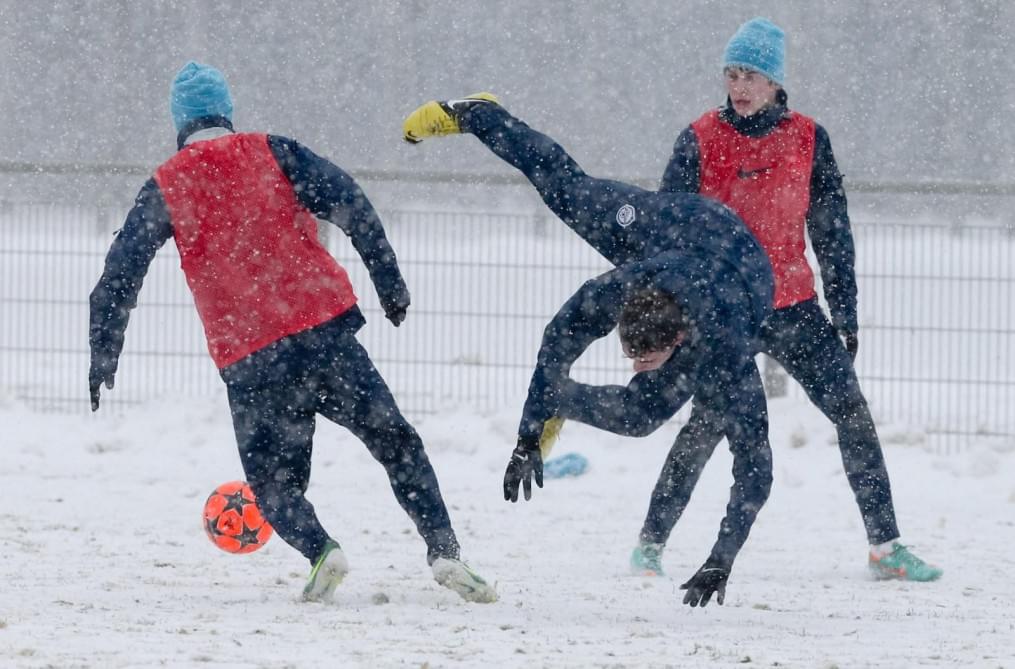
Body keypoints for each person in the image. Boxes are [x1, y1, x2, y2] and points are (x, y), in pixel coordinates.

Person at [88, 62, 496, 604]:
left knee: (273, 484)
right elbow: (350, 200)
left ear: (179, 123)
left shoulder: (168, 184)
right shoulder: (273, 151)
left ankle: (322, 550)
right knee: (396, 441)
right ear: (226, 112)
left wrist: (103, 351)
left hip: (251, 355)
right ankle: (444, 548)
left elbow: (120, 271)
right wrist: (388, 279)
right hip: (322, 330)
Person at [404, 93, 776, 607]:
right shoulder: (625, 285)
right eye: (628, 355)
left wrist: (722, 556)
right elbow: (559, 335)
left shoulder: (727, 351)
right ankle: (473, 112)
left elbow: (756, 468)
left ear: (675, 344)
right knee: (564, 189)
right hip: (669, 228)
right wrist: (526, 436)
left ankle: (566, 400)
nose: (634, 368)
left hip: (733, 267)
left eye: (642, 361)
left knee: (642, 416)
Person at [650, 17, 941, 581]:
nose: (739, 86)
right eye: (732, 73)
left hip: (794, 305)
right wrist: (672, 312)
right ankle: (651, 542)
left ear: (776, 83)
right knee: (708, 423)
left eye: (752, 75)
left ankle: (886, 547)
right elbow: (665, 231)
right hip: (725, 310)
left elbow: (832, 231)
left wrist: (846, 310)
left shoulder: (809, 138)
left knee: (852, 415)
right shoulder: (701, 137)